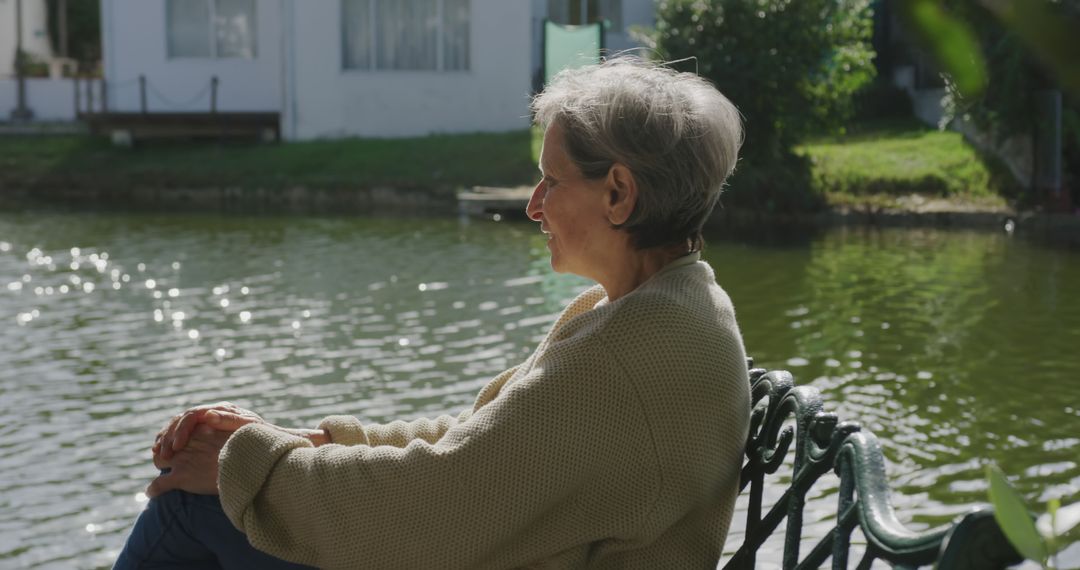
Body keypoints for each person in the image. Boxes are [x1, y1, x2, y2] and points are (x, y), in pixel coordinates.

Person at [114, 56, 751, 569]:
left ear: (617, 193)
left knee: (189, 512)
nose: (533, 206)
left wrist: (243, 467)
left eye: (551, 181)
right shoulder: (661, 308)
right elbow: (481, 442)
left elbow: (431, 508)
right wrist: (304, 444)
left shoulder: (627, 354)